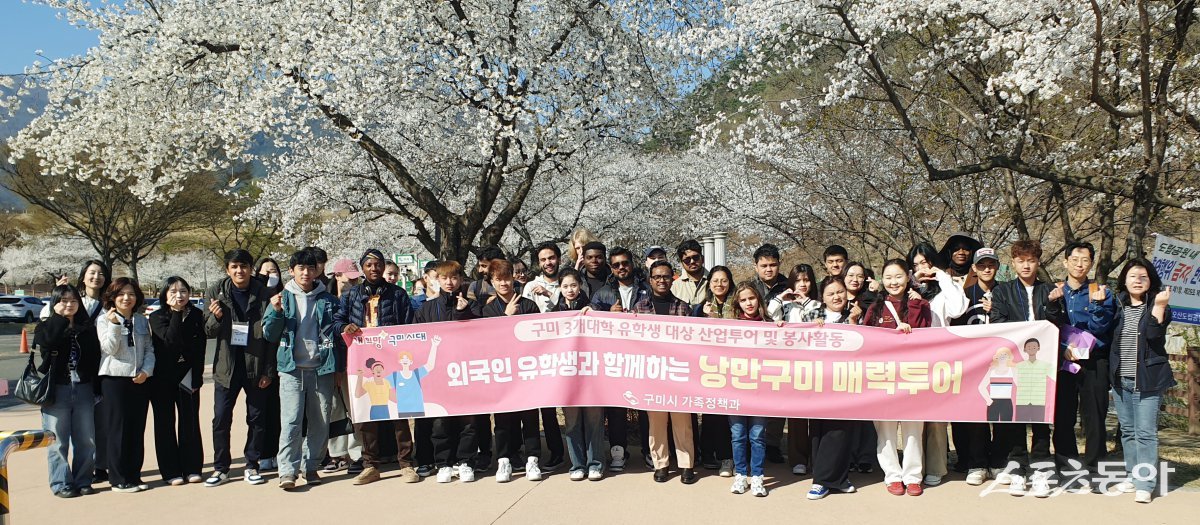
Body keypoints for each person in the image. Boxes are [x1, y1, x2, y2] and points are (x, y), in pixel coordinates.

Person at [337, 249, 418, 486]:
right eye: (369, 265)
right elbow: (337, 321)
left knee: (398, 412)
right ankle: (370, 465)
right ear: (363, 268)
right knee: (366, 413)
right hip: (362, 361)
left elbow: (408, 325)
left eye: (378, 264)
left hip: (392, 360)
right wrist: (346, 328)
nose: (374, 269)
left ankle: (406, 463)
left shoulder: (398, 294)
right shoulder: (351, 295)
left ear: (384, 267)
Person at [989, 240, 1062, 497]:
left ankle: (1041, 470)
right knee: (1014, 420)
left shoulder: (1049, 290)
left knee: (1041, 420)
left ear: (1038, 262)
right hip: (1013, 364)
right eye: (1021, 261)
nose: (1026, 265)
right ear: (1014, 263)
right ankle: (1018, 469)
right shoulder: (1003, 291)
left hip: (1043, 365)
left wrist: (1054, 305)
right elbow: (997, 324)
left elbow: (1058, 326)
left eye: (1031, 260)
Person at [263, 249, 341, 490]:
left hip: (322, 368)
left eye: (310, 268)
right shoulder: (281, 298)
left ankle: (311, 467)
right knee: (291, 421)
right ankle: (287, 470)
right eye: (301, 268)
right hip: (291, 369)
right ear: (291, 271)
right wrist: (275, 313)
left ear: (317, 270)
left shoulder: (328, 300)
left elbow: (337, 332)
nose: (306, 273)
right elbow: (269, 334)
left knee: (320, 421)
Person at [1045, 241, 1117, 493]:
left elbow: (1101, 328)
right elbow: (1047, 326)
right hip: (1063, 360)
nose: (1079, 264)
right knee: (1063, 416)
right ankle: (1067, 470)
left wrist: (1097, 306)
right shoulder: (1054, 291)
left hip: (1094, 361)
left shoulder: (1101, 292)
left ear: (1091, 263)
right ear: (1065, 261)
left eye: (1085, 260)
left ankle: (1097, 470)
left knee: (1095, 416)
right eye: (1074, 259)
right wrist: (1062, 346)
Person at [203, 249, 275, 487]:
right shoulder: (216, 292)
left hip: (255, 365)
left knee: (256, 418)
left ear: (250, 268)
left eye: (243, 266)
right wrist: (216, 317)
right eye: (234, 266)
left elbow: (272, 337)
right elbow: (208, 331)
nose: (239, 271)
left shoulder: (264, 293)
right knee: (221, 418)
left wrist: (268, 371)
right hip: (227, 366)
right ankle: (221, 468)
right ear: (227, 269)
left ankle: (252, 464)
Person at [1108, 258, 1174, 503]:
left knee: (1145, 433)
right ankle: (1132, 475)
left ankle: (1145, 483)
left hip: (1147, 380)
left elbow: (1153, 336)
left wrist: (1158, 306)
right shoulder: (1117, 306)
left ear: (1151, 281)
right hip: (1120, 379)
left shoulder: (1160, 305)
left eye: (1143, 276)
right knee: (1127, 431)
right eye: (1133, 276)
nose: (1138, 280)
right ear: (1124, 280)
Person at [864, 259, 931, 496]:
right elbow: (867, 340)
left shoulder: (921, 304)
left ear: (908, 277)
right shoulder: (875, 307)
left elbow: (925, 335)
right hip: (884, 377)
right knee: (886, 430)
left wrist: (913, 308)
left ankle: (913, 476)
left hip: (913, 376)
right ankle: (892, 475)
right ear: (882, 280)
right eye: (888, 277)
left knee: (914, 429)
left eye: (899, 276)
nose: (893, 282)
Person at [474, 259, 545, 482]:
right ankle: (503, 460)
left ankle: (532, 459)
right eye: (498, 279)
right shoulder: (488, 309)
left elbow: (537, 338)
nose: (503, 283)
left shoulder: (529, 306)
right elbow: (489, 341)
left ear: (514, 278)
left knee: (531, 417)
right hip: (502, 372)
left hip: (526, 370)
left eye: (507, 278)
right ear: (491, 282)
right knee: (503, 419)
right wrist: (506, 318)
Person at [907, 241, 969, 487]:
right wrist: (913, 284)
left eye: (925, 262)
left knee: (936, 418)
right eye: (916, 265)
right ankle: (913, 468)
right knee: (913, 418)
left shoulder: (945, 288)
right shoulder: (910, 288)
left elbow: (958, 308)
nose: (922, 268)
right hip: (911, 361)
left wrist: (941, 276)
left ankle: (935, 466)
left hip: (938, 360)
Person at [414, 261, 481, 483]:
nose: (449, 282)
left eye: (454, 278)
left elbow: (482, 335)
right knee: (440, 421)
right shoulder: (426, 309)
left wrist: (464, 313)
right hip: (438, 375)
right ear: (437, 280)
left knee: (468, 420)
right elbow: (418, 340)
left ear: (461, 279)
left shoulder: (472, 306)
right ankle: (444, 463)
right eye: (444, 278)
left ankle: (466, 461)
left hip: (465, 372)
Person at [632, 261, 697, 485]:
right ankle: (661, 464)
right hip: (653, 374)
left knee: (683, 422)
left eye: (666, 277)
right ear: (650, 280)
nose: (662, 280)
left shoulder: (683, 307)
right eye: (657, 276)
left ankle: (686, 465)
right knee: (656, 423)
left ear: (673, 279)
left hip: (678, 373)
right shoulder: (639, 308)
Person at [36, 284, 101, 498]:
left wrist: (95, 387)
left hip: (83, 388)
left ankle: (83, 480)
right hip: (57, 389)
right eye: (63, 300)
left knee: (86, 440)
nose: (69, 305)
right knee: (57, 440)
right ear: (55, 303)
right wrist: (60, 319)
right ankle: (61, 483)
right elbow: (47, 343)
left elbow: (94, 358)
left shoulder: (87, 327)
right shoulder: (46, 326)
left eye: (73, 300)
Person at [589, 246, 650, 472]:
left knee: (645, 405)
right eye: (616, 265)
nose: (621, 268)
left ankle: (649, 451)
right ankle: (618, 451)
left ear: (632, 264)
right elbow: (591, 323)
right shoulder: (602, 293)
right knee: (616, 408)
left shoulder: (646, 289)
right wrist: (608, 316)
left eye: (625, 263)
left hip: (641, 357)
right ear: (611, 268)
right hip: (613, 358)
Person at [953, 248, 1007, 485]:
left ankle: (998, 462)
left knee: (1002, 413)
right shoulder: (965, 295)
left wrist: (996, 311)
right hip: (973, 365)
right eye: (982, 265)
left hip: (1003, 364)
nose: (987, 269)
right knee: (975, 415)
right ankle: (977, 463)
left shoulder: (1006, 292)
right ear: (974, 268)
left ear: (997, 267)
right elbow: (956, 328)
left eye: (991, 264)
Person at [97, 277, 155, 493]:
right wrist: (114, 325)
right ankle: (118, 478)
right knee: (117, 430)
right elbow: (108, 349)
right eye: (121, 294)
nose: (126, 298)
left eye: (130, 294)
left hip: (139, 379)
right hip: (114, 380)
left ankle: (134, 475)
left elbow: (149, 348)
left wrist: (146, 371)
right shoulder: (104, 320)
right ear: (112, 297)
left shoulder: (141, 320)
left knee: (136, 429)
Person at [148, 277, 206, 486]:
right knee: (164, 424)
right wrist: (175, 313)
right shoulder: (156, 317)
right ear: (164, 295)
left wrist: (198, 375)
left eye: (183, 291)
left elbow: (200, 350)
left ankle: (192, 467)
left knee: (189, 422)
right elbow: (170, 341)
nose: (179, 295)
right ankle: (170, 471)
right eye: (172, 291)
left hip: (188, 375)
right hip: (162, 377)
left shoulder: (197, 315)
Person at [807, 277, 859, 499]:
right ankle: (821, 480)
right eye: (831, 294)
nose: (837, 297)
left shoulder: (855, 314)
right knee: (821, 431)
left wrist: (855, 322)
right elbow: (794, 336)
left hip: (846, 380)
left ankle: (839, 478)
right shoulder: (812, 316)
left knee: (842, 431)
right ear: (822, 298)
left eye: (840, 292)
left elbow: (864, 344)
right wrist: (812, 329)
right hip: (818, 381)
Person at [518, 241, 567, 470]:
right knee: (545, 407)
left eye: (552, 258)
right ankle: (551, 453)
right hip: (538, 352)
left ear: (559, 258)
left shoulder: (569, 281)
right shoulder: (530, 286)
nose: (548, 263)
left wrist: (551, 295)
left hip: (565, 350)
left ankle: (574, 453)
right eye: (543, 259)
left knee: (568, 404)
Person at [766, 263, 819, 477]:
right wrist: (783, 296)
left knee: (815, 415)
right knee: (796, 415)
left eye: (806, 280)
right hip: (789, 365)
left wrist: (803, 300)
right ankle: (798, 459)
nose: (802, 284)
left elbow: (814, 318)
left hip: (813, 365)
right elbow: (768, 313)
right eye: (798, 281)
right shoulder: (785, 306)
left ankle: (814, 457)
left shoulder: (815, 302)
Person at [555, 269, 605, 481]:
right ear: (560, 289)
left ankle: (596, 464)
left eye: (573, 285)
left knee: (595, 422)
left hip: (592, 376)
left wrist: (593, 313)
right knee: (572, 423)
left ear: (581, 285)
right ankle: (577, 464)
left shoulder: (592, 308)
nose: (570, 290)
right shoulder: (555, 312)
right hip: (568, 378)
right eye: (565, 286)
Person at [744, 243, 788, 464]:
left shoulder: (789, 286)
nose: (769, 269)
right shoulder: (749, 289)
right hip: (752, 354)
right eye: (764, 265)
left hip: (781, 352)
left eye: (773, 265)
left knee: (777, 401)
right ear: (756, 266)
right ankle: (752, 443)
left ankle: (772, 444)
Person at [727, 282, 770, 497]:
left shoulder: (770, 324)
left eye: (751, 298)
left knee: (757, 436)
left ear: (758, 299)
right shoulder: (730, 327)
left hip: (761, 391)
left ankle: (757, 477)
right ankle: (741, 475)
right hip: (736, 390)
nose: (748, 303)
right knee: (738, 435)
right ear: (738, 303)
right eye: (743, 300)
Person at [691, 265, 735, 478]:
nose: (719, 284)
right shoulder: (700, 308)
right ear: (709, 284)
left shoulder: (737, 306)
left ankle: (727, 456)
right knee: (710, 412)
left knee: (727, 413)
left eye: (724, 280)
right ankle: (708, 453)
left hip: (733, 367)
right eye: (715, 280)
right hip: (707, 367)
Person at [842, 261, 878, 474]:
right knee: (846, 414)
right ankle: (847, 455)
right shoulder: (834, 296)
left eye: (860, 275)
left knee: (866, 413)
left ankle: (865, 457)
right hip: (841, 365)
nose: (855, 279)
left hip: (867, 362)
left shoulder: (874, 300)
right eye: (851, 275)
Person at [254, 257, 283, 473]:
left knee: (279, 412)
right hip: (259, 360)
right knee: (261, 410)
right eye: (266, 272)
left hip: (282, 359)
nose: (271, 275)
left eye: (274, 271)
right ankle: (263, 453)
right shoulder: (255, 296)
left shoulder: (285, 294)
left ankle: (278, 452)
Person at [671, 239, 709, 309]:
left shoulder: (715, 283)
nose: (692, 261)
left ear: (702, 259)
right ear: (681, 263)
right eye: (687, 260)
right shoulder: (675, 286)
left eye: (696, 257)